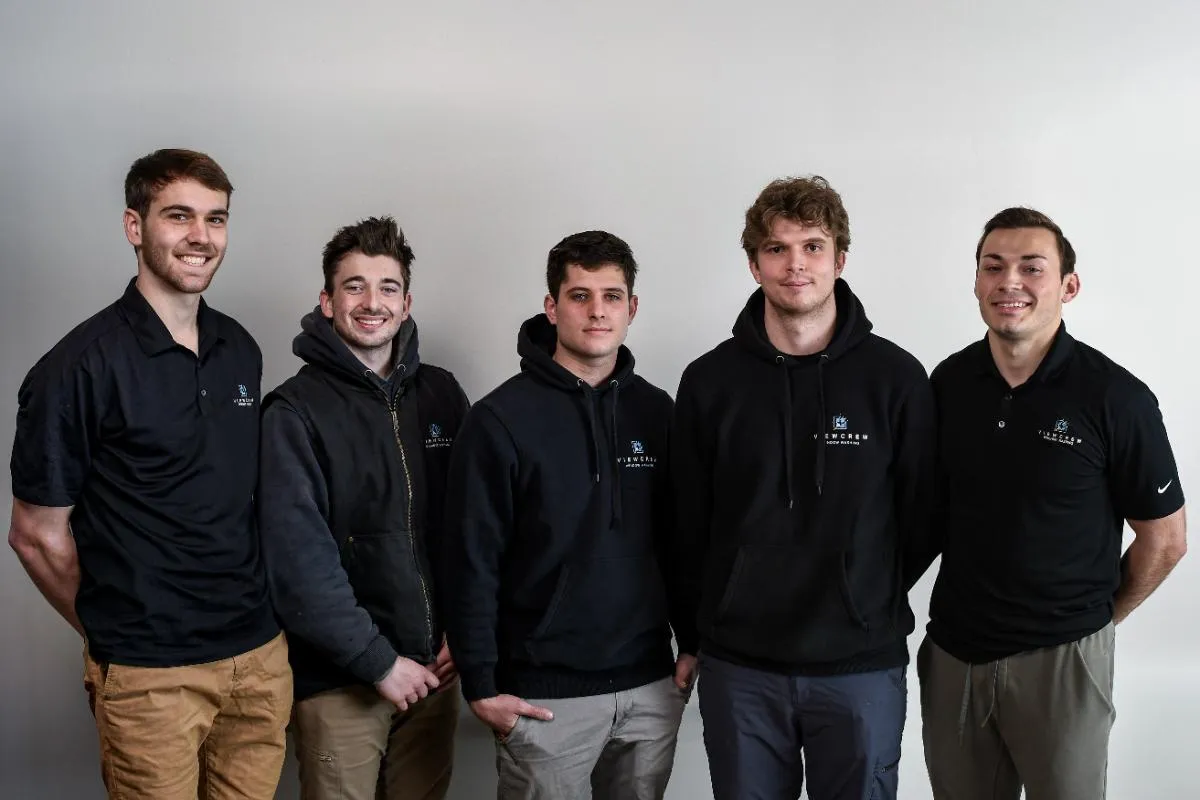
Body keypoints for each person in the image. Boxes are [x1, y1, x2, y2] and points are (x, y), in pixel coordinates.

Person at [8, 148, 291, 799]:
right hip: (151, 674)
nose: (201, 236)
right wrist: (114, 626)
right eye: (179, 216)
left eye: (215, 219)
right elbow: (35, 534)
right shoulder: (77, 369)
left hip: (259, 659)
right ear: (135, 226)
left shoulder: (239, 348)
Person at [671, 176, 936, 800]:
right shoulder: (710, 382)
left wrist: (862, 588)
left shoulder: (895, 378)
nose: (796, 265)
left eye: (813, 247)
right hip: (740, 664)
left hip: (860, 662)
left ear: (840, 259)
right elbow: (687, 521)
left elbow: (926, 512)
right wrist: (696, 631)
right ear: (754, 262)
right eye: (777, 249)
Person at [918, 207, 1188, 800]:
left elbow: (1165, 540)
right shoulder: (947, 384)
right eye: (994, 266)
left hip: (1063, 661)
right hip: (954, 655)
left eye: (1031, 267)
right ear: (977, 283)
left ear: (1068, 286)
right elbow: (924, 516)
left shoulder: (1116, 397)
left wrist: (1095, 620)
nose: (1009, 281)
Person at [441, 230, 689, 800]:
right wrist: (480, 682)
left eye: (611, 295)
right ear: (552, 307)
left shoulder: (659, 412)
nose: (597, 311)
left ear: (632, 307)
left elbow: (682, 543)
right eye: (579, 296)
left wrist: (692, 641)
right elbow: (471, 559)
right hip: (544, 699)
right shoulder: (499, 420)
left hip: (649, 687)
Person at [258, 215, 469, 799]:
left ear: (406, 303)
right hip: (340, 682)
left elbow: (472, 531)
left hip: (434, 670)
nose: (371, 302)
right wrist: (377, 662)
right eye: (354, 286)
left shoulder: (443, 395)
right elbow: (298, 564)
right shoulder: (293, 413)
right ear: (327, 302)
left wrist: (465, 633)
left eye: (387, 287)